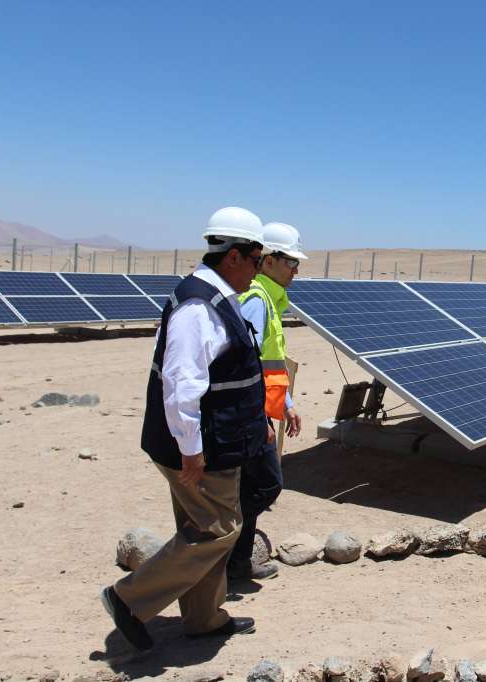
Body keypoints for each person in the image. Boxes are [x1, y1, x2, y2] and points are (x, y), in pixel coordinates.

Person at [100, 206, 272, 651]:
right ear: (233, 256)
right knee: (219, 529)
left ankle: (204, 619)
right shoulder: (200, 306)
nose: (258, 271)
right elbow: (181, 386)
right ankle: (129, 598)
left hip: (215, 441)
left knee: (201, 528)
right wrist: (191, 451)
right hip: (200, 448)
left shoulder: (215, 296)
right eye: (256, 260)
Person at [227, 222, 307, 581]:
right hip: (251, 414)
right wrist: (258, 418)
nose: (296, 269)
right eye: (290, 261)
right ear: (269, 260)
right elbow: (246, 365)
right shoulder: (257, 301)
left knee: (250, 487)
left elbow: (271, 362)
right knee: (264, 485)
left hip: (262, 411)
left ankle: (238, 560)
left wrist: (286, 403)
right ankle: (225, 554)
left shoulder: (268, 300)